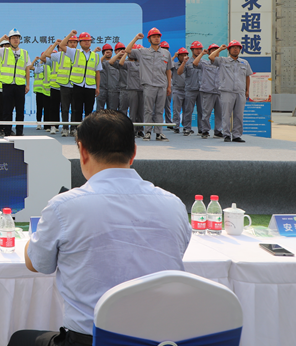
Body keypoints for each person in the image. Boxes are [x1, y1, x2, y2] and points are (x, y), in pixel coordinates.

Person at [10, 109, 191, 346]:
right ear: (134, 152)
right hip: (160, 340)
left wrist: (35, 237)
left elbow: (36, 264)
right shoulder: (174, 205)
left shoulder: (64, 207)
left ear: (82, 151)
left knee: (20, 339)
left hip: (90, 340)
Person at [126, 28, 172, 142]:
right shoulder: (142, 52)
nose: (156, 38)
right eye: (154, 36)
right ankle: (147, 132)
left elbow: (168, 70)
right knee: (148, 110)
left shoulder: (166, 53)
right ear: (149, 39)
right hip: (149, 85)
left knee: (159, 110)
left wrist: (169, 86)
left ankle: (159, 133)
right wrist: (136, 38)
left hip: (162, 85)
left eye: (158, 36)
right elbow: (127, 50)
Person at [0, 29, 30, 136]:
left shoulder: (24, 52)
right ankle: (7, 132)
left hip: (20, 85)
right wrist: (2, 38)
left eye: (17, 38)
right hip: (7, 85)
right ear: (9, 40)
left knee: (20, 110)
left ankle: (19, 133)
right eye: (13, 38)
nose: (16, 40)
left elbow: (27, 69)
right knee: (7, 110)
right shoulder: (4, 51)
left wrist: (28, 84)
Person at [58, 32, 101, 131]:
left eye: (88, 41)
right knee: (77, 109)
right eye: (84, 41)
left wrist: (97, 87)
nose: (87, 42)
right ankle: (77, 130)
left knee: (89, 110)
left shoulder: (95, 56)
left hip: (90, 86)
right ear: (80, 42)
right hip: (78, 85)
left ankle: (88, 130)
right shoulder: (75, 53)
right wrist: (70, 34)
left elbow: (97, 72)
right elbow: (62, 45)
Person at [211, 41, 252, 142]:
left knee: (239, 115)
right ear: (229, 49)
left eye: (237, 47)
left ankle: (237, 135)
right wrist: (220, 49)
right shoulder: (223, 60)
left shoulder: (244, 62)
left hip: (240, 92)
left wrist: (247, 90)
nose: (235, 49)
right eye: (233, 47)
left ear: (240, 50)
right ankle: (226, 135)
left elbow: (247, 76)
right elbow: (211, 57)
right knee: (226, 114)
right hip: (227, 91)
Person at [109, 46, 144, 137]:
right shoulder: (126, 63)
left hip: (140, 90)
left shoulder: (143, 64)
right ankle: (124, 128)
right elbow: (111, 62)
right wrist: (124, 53)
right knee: (124, 110)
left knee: (140, 111)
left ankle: (139, 130)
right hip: (125, 89)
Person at [193, 43, 223, 139]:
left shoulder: (222, 63)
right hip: (207, 91)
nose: (215, 52)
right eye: (213, 50)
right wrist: (202, 54)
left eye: (217, 50)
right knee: (206, 113)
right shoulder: (204, 63)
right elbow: (195, 63)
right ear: (209, 52)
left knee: (220, 113)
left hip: (219, 92)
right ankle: (205, 130)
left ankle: (218, 131)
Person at [29, 42, 59, 131]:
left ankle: (55, 126)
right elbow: (35, 70)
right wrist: (40, 60)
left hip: (54, 88)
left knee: (53, 108)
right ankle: (44, 125)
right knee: (43, 108)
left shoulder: (57, 65)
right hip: (44, 90)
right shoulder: (43, 66)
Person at [181, 41, 204, 136]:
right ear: (192, 50)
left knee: (202, 111)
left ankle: (201, 129)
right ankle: (187, 128)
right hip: (190, 89)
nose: (198, 51)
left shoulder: (203, 62)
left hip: (201, 90)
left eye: (200, 49)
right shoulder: (187, 62)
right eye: (196, 49)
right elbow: (179, 72)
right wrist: (183, 63)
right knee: (188, 110)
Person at [170, 48, 188, 133]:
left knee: (186, 110)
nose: (184, 57)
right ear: (178, 56)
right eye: (182, 55)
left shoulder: (189, 64)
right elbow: (167, 64)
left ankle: (186, 126)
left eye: (185, 55)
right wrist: (174, 56)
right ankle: (176, 126)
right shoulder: (174, 64)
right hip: (177, 89)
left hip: (187, 90)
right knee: (176, 110)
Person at [96, 44, 119, 111]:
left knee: (112, 110)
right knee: (99, 110)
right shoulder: (100, 62)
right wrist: (104, 56)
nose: (108, 53)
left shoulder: (115, 63)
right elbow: (96, 64)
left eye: (110, 51)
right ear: (103, 53)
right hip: (102, 89)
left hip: (113, 90)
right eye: (106, 51)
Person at [160, 41, 174, 130]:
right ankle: (156, 122)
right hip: (158, 85)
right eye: (163, 49)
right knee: (157, 106)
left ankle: (169, 122)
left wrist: (169, 85)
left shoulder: (168, 59)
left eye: (166, 49)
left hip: (167, 84)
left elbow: (170, 73)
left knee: (167, 105)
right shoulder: (156, 59)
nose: (165, 50)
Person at [113, 42, 129, 116]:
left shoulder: (127, 63)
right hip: (113, 91)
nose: (121, 52)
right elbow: (111, 62)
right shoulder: (112, 62)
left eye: (123, 50)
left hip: (124, 89)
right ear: (115, 51)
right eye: (119, 50)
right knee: (113, 110)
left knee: (123, 110)